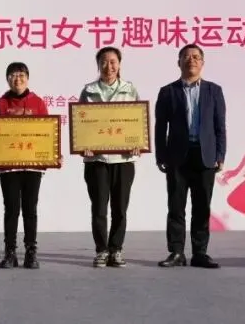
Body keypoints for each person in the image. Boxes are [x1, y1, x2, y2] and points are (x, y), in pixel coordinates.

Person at [154, 43, 226, 269]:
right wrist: (161, 155)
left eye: (196, 56)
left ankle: (200, 253)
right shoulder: (168, 91)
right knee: (176, 206)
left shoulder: (214, 91)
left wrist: (220, 154)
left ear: (202, 63)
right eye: (186, 56)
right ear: (179, 62)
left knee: (202, 207)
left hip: (205, 156)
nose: (191, 60)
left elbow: (219, 126)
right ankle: (176, 252)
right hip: (177, 156)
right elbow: (160, 127)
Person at [78, 47, 141, 268]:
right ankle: (101, 250)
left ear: (119, 64)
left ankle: (116, 249)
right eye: (104, 62)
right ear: (98, 65)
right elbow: (81, 125)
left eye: (113, 61)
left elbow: (137, 122)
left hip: (123, 161)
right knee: (99, 209)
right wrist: (83, 146)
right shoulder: (89, 91)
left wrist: (137, 143)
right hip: (97, 161)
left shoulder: (130, 90)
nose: (109, 66)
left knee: (120, 209)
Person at [0, 62, 50, 269]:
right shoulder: (0, 104)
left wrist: (53, 154)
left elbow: (47, 134)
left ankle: (31, 253)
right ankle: (10, 252)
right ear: (7, 79)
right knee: (11, 209)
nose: (18, 79)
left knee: (30, 209)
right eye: (13, 75)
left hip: (33, 165)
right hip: (9, 166)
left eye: (21, 75)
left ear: (28, 78)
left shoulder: (38, 103)